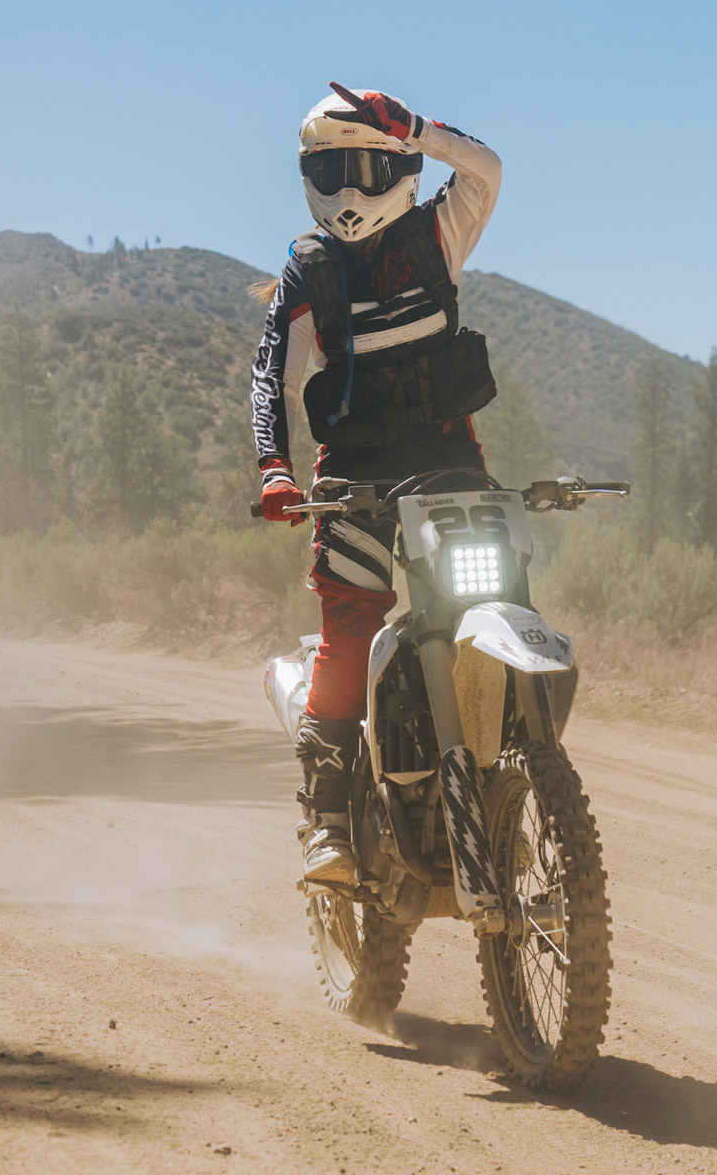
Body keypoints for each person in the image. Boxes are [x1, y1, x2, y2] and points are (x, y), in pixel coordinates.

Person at [250, 84, 503, 888]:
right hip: (353, 473)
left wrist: (425, 130)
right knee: (353, 623)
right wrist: (275, 469)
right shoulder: (309, 270)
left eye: (365, 166)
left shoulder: (436, 234)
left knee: (497, 599)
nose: (351, 191)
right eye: (332, 172)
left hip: (446, 457)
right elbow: (269, 378)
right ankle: (327, 818)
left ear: (396, 161)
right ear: (308, 180)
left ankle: (512, 768)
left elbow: (487, 171)